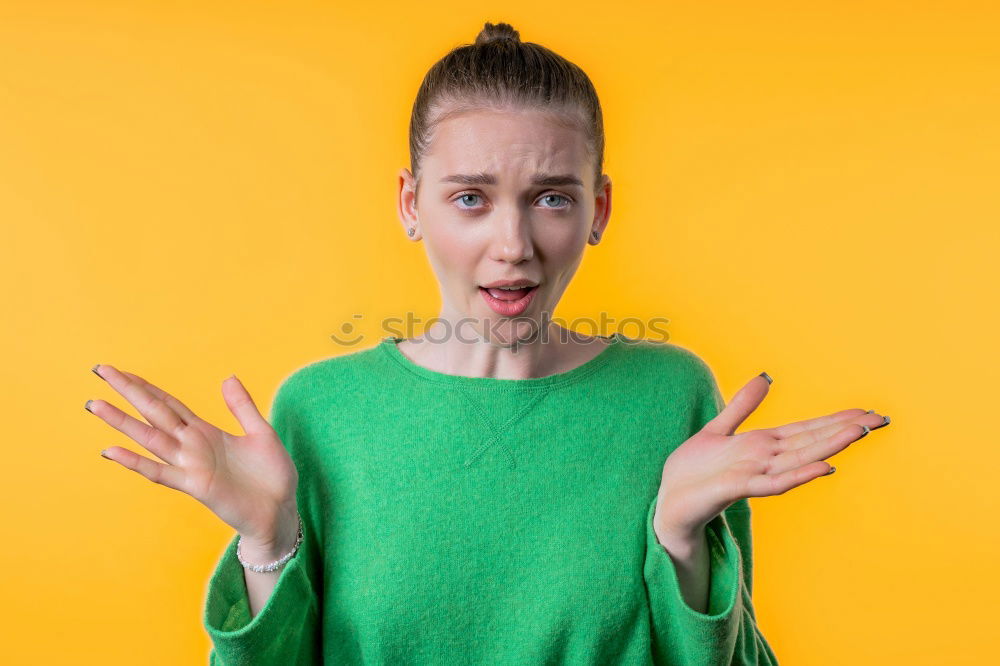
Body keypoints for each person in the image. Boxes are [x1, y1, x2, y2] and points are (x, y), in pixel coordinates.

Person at [86, 21, 891, 665]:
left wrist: (680, 542)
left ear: (598, 209)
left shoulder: (672, 397)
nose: (513, 244)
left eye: (550, 197)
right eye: (470, 197)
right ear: (411, 203)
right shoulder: (317, 411)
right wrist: (268, 543)